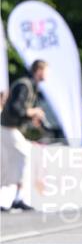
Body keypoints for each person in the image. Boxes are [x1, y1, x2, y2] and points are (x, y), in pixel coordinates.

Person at [0, 59, 48, 212]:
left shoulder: (30, 86)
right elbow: (16, 108)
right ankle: (15, 197)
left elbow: (20, 111)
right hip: (7, 128)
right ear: (39, 70)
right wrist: (33, 112)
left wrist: (30, 117)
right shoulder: (24, 85)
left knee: (16, 159)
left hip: (10, 128)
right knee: (24, 155)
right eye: (46, 70)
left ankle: (15, 197)